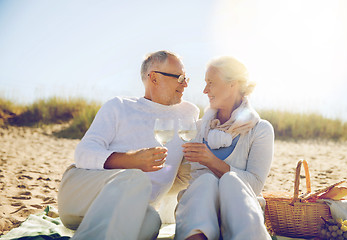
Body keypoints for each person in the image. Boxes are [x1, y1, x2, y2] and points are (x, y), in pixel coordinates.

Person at [57, 50, 199, 240]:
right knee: (135, 178)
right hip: (80, 198)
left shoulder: (189, 114)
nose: (185, 84)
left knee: (151, 222)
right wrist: (130, 160)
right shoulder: (119, 106)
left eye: (186, 78)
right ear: (154, 78)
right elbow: (83, 153)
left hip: (133, 211)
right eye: (180, 77)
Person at [174, 56, 274, 240]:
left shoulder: (260, 130)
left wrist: (211, 161)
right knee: (205, 183)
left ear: (232, 84)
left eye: (210, 83)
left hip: (240, 213)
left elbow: (254, 186)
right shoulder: (197, 128)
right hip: (198, 213)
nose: (205, 90)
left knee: (231, 182)